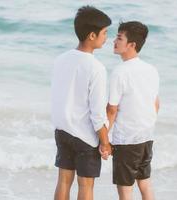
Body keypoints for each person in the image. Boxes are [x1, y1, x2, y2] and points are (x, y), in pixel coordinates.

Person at [51, 5, 112, 200]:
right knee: (86, 185)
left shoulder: (60, 59)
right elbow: (97, 114)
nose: (107, 37)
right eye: (104, 33)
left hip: (62, 130)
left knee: (63, 181)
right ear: (92, 36)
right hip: (85, 136)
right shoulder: (96, 68)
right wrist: (105, 142)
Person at [106, 21, 160, 200]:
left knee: (125, 190)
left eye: (119, 38)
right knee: (145, 183)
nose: (114, 41)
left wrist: (104, 139)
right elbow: (156, 104)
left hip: (126, 140)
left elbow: (112, 110)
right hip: (146, 136)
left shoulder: (120, 72)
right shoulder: (151, 70)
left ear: (132, 45)